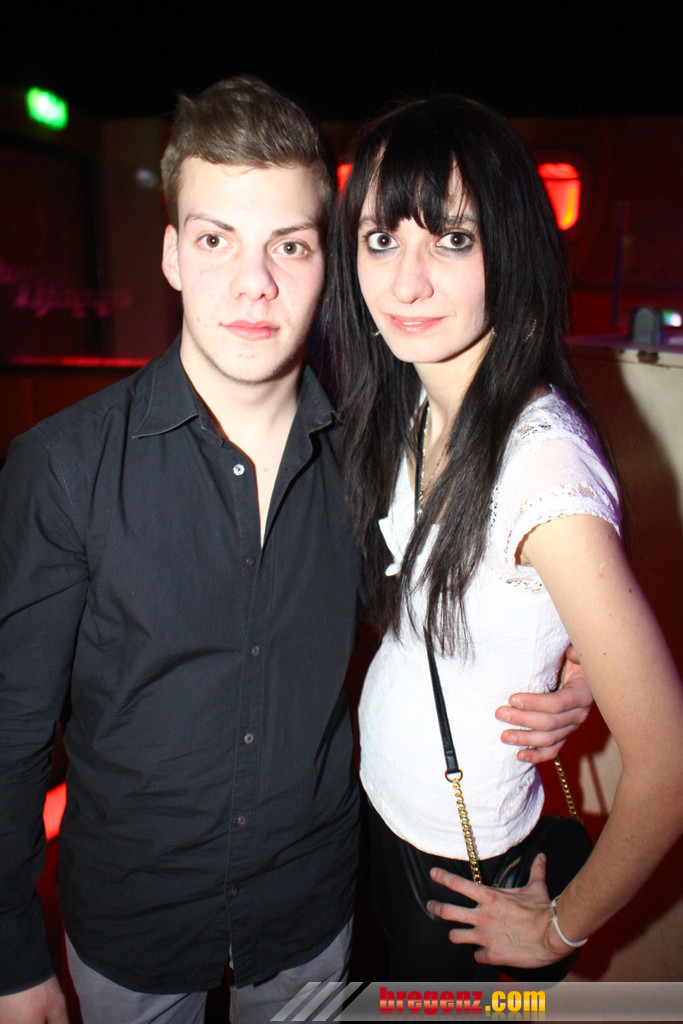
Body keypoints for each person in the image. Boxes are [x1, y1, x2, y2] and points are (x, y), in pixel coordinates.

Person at [0, 78, 593, 1024]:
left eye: (289, 245)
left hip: (310, 910)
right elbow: (11, 728)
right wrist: (11, 958)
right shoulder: (64, 467)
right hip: (131, 920)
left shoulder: (380, 453)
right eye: (215, 241)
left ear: (327, 263)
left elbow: (453, 595)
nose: (255, 283)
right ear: (172, 254)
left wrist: (567, 662)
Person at [326, 94, 683, 980]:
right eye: (381, 239)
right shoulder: (419, 397)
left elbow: (670, 766)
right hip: (386, 813)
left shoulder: (540, 470)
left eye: (452, 239)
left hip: (459, 866)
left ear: (510, 249)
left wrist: (558, 930)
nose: (405, 283)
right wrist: (574, 658)